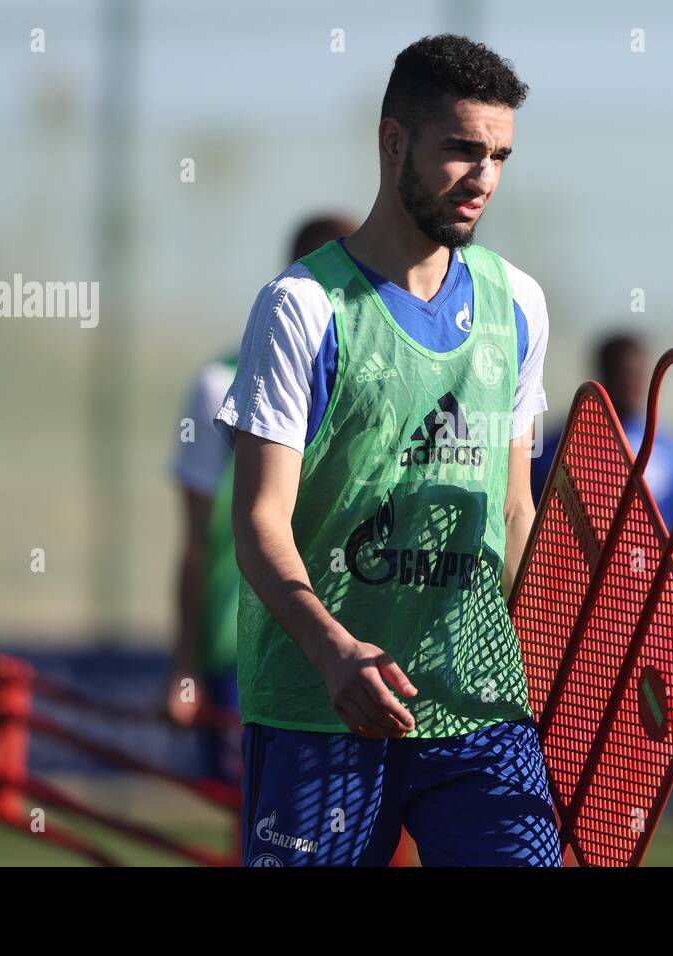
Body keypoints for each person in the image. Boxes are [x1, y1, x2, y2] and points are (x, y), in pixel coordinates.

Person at [215, 35, 558, 866]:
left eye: (500, 156)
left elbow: (515, 506)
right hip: (318, 707)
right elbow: (260, 523)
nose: (484, 178)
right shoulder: (302, 308)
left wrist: (549, 663)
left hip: (478, 709)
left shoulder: (518, 305)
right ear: (393, 141)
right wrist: (335, 653)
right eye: (462, 149)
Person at [167, 216, 357, 783]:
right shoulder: (218, 382)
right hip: (246, 648)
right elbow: (198, 542)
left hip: (361, 646)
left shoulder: (389, 368)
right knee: (258, 832)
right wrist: (184, 667)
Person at [530, 333, 673, 627]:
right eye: (624, 374)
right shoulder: (559, 448)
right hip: (572, 608)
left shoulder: (672, 455)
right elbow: (530, 523)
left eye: (639, 374)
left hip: (646, 612)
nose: (633, 384)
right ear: (604, 374)